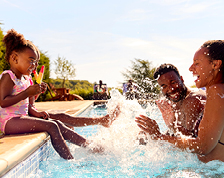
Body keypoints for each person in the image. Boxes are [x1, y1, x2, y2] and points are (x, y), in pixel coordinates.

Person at [0, 29, 102, 160]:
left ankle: (90, 146)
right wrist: (27, 93)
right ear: (14, 58)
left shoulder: (25, 79)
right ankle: (70, 161)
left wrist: (34, 106)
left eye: (36, 62)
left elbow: (24, 105)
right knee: (52, 126)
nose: (34, 66)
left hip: (19, 118)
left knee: (57, 123)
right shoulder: (8, 77)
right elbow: (3, 101)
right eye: (31, 61)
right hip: (8, 122)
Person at [136, 40, 224, 163]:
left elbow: (203, 146)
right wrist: (171, 127)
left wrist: (159, 136)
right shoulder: (217, 91)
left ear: (215, 65)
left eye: (197, 63)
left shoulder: (216, 91)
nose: (190, 68)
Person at [153, 64, 206, 137]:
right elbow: (176, 134)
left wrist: (172, 125)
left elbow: (193, 142)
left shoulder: (193, 100)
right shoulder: (174, 100)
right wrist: (153, 135)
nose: (171, 89)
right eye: (164, 86)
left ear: (181, 79)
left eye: (173, 82)